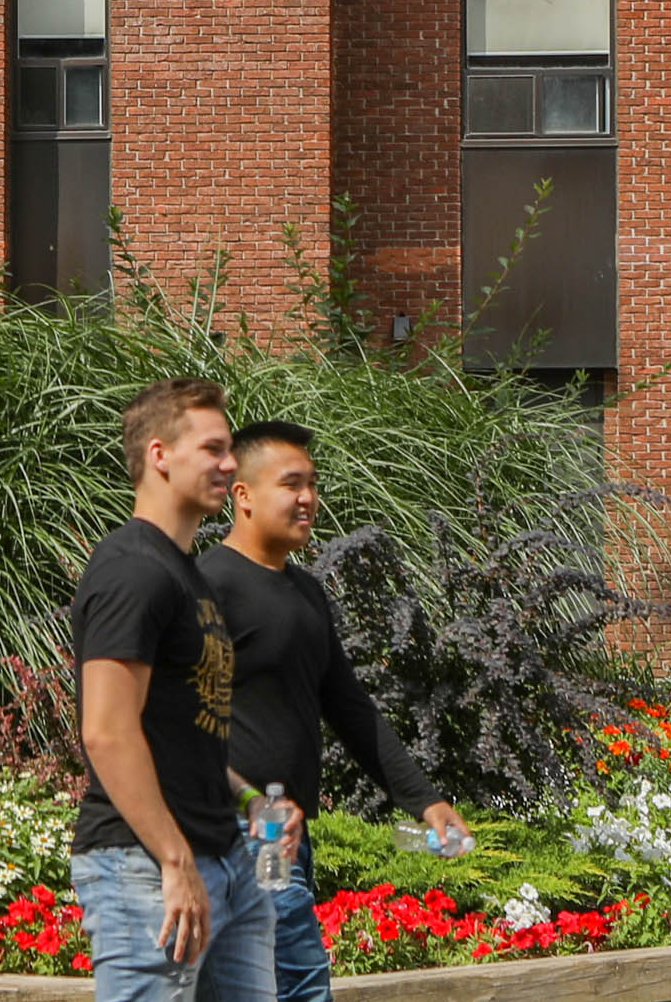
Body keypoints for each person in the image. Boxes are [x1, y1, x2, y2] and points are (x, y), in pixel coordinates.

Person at [198, 421, 470, 1002]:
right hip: (247, 832)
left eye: (312, 484)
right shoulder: (207, 588)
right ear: (242, 495)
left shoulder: (304, 592)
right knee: (301, 986)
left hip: (286, 834)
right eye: (290, 484)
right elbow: (173, 722)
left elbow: (349, 707)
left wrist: (424, 800)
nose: (307, 499)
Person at [70, 376, 273, 1002]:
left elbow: (186, 728)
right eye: (213, 449)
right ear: (159, 455)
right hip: (145, 867)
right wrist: (174, 859)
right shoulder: (131, 569)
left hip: (225, 861)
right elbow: (107, 731)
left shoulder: (186, 575)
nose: (231, 462)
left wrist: (252, 803)